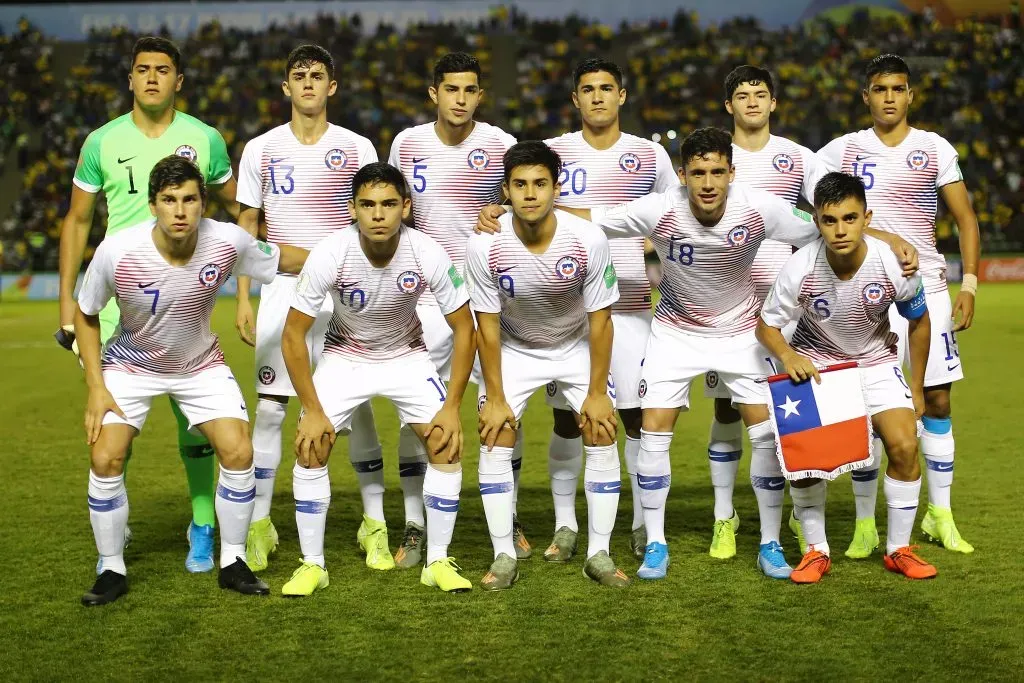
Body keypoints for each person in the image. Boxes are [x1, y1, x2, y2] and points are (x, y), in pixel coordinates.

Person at [553, 127, 917, 580]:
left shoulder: (758, 206)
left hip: (743, 330)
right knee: (653, 432)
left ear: (732, 172)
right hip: (674, 331)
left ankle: (769, 542)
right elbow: (592, 217)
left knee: (765, 432)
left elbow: (822, 224)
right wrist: (513, 210)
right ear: (682, 175)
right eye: (698, 173)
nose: (708, 183)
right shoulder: (661, 208)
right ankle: (656, 542)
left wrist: (883, 235)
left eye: (718, 172)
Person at [75, 155, 307, 606]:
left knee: (239, 450)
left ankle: (233, 561)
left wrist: (346, 255)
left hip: (200, 364)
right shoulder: (118, 251)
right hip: (130, 365)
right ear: (152, 205)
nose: (179, 210)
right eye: (168, 200)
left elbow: (282, 258)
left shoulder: (227, 241)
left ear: (203, 203)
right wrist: (97, 388)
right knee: (106, 457)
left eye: (189, 199)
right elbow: (85, 315)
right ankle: (111, 567)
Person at [57, 36, 239, 574]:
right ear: (131, 79)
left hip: (184, 304)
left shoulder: (205, 139)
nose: (153, 77)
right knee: (115, 426)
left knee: (197, 422)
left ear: (178, 80)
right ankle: (116, 521)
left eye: (164, 69)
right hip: (116, 308)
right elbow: (78, 221)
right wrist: (67, 305)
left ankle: (203, 522)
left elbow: (235, 212)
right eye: (143, 69)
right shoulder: (101, 142)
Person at [279, 162, 476, 595]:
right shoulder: (330, 253)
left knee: (445, 442)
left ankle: (438, 560)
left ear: (405, 207)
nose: (378, 214)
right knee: (311, 445)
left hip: (407, 357)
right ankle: (313, 565)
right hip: (344, 358)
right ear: (352, 209)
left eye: (389, 204)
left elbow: (466, 328)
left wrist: (451, 407)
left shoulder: (428, 252)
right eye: (367, 205)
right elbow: (293, 335)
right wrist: (311, 410)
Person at [818, 53, 979, 555]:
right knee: (868, 406)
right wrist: (882, 233)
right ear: (865, 96)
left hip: (926, 285)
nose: (889, 97)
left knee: (937, 401)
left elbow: (967, 219)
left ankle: (941, 513)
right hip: (864, 289)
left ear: (910, 95)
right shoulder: (842, 150)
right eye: (879, 89)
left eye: (898, 88)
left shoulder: (933, 147)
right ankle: (866, 524)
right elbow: (808, 202)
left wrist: (969, 283)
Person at [235, 44, 384, 573]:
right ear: (286, 87)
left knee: (359, 405)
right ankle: (258, 524)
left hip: (345, 292)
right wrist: (245, 297)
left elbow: (372, 216)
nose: (307, 84)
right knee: (273, 408)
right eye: (298, 76)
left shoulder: (357, 145)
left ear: (331, 86)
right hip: (283, 291)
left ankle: (374, 525)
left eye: (317, 76)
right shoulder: (261, 149)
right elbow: (246, 228)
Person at [756, 171, 938, 582]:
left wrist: (918, 384)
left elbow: (919, 320)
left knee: (905, 445)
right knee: (807, 462)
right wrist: (787, 354)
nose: (840, 230)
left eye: (850, 218)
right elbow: (766, 325)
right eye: (830, 220)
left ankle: (898, 549)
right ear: (817, 221)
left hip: (876, 363)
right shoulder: (799, 267)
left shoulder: (894, 263)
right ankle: (816, 551)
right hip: (819, 366)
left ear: (866, 217)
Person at [466, 141, 629, 590]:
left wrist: (597, 394)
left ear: (557, 189)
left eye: (540, 183)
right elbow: (487, 326)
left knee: (599, 427)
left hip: (575, 344)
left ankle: (598, 551)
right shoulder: (483, 245)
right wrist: (495, 398)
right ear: (505, 191)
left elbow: (601, 322)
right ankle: (503, 554)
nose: (531, 193)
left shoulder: (587, 239)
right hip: (515, 348)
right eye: (520, 185)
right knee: (495, 433)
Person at [538, 58, 678, 563]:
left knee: (637, 419)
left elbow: (673, 220)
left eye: (606, 89)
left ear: (623, 96)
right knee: (566, 421)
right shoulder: (553, 154)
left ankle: (643, 524)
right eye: (587, 89)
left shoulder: (650, 156)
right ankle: (565, 525)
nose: (597, 97)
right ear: (575, 99)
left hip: (633, 306)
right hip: (569, 313)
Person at [387, 52, 518, 565]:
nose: (460, 99)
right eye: (451, 90)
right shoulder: (407, 143)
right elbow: (394, 205)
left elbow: (529, 200)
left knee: (500, 409)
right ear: (433, 94)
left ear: (479, 96)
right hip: (422, 295)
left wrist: (501, 208)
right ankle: (415, 525)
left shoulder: (500, 144)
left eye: (469, 90)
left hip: (486, 294)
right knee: (415, 409)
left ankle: (508, 519)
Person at [701, 65, 830, 562]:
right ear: (728, 105)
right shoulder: (714, 160)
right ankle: (723, 515)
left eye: (760, 95)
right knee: (725, 409)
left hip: (789, 308)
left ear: (774, 103)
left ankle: (799, 513)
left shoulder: (799, 158)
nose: (751, 102)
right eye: (741, 95)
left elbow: (831, 210)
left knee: (797, 411)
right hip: (728, 305)